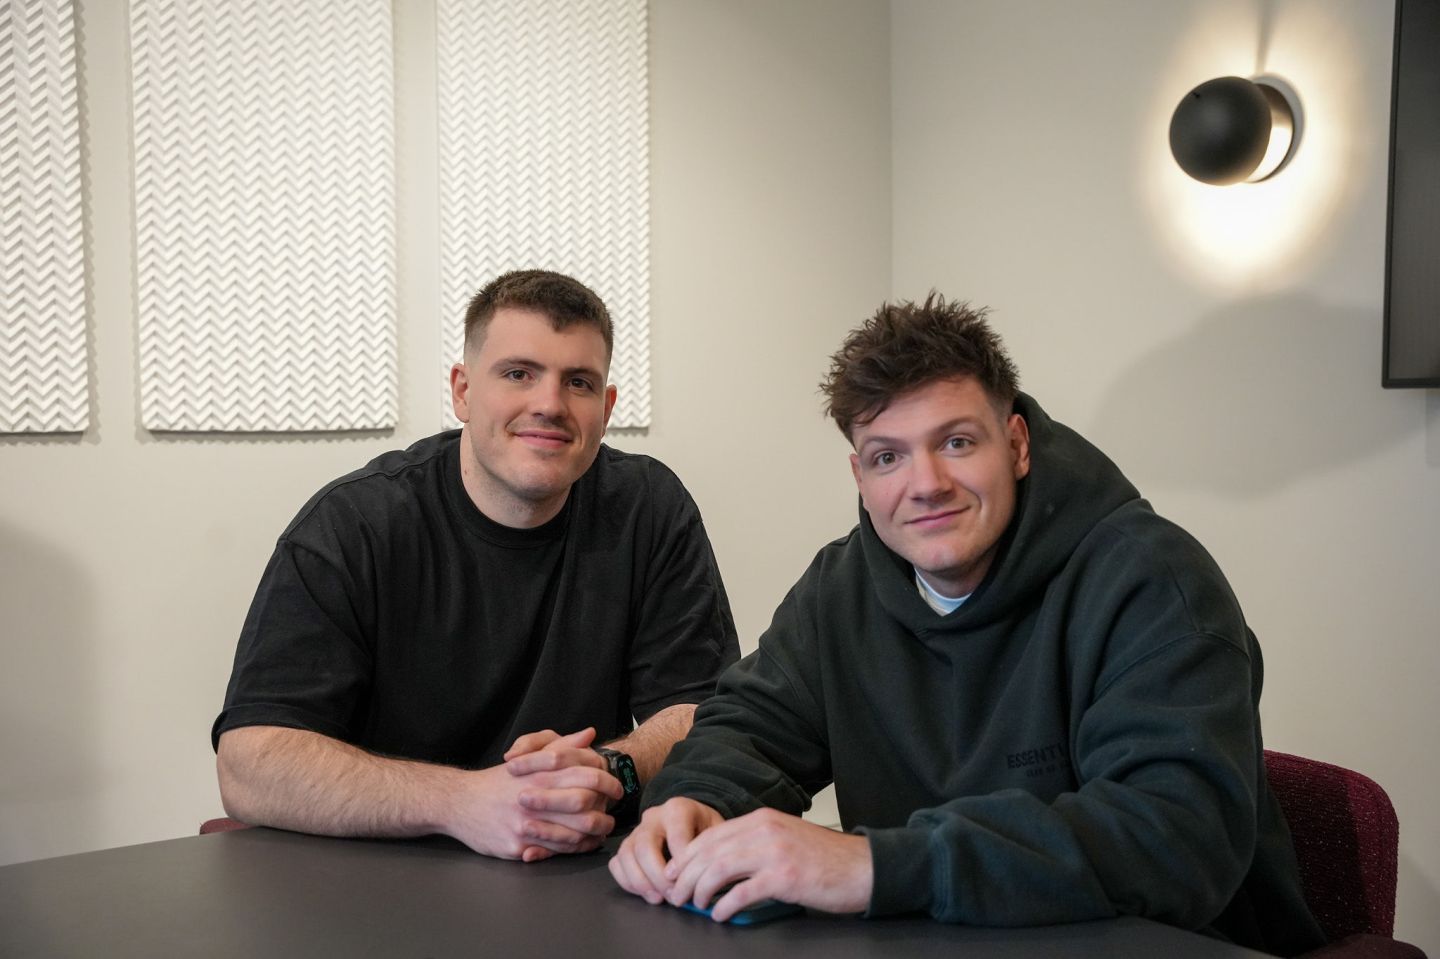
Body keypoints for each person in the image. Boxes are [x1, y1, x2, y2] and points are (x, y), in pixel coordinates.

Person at [609, 294, 1325, 955]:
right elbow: (750, 726)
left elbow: (1175, 835)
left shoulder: (1152, 581)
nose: (926, 484)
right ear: (860, 475)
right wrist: (690, 800)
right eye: (889, 455)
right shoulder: (841, 587)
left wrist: (874, 865)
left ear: (1015, 443)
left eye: (955, 442)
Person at [214, 269, 739, 862]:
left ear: (607, 407)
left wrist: (607, 766)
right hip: (383, 881)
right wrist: (465, 802)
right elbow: (249, 764)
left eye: (580, 383)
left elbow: (706, 715)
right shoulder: (351, 526)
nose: (550, 404)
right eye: (519, 374)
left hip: (572, 873)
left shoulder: (649, 510)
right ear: (463, 391)